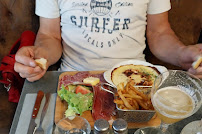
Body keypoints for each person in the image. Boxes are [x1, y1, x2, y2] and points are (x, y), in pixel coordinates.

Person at [14, 0, 202, 82]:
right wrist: (40, 57)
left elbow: (159, 32)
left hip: (136, 79)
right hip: (74, 79)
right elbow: (50, 35)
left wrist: (182, 54)